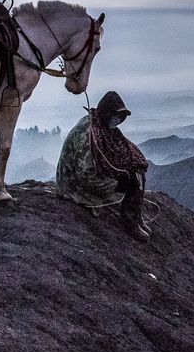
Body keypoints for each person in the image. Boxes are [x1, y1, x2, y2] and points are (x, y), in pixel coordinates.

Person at [55, 91, 151, 241]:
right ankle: (129, 222)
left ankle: (136, 216)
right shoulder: (89, 133)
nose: (117, 119)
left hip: (83, 176)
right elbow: (85, 173)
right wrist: (115, 178)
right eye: (115, 115)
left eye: (120, 116)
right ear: (106, 113)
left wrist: (128, 167)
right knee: (132, 182)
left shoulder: (100, 124)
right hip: (74, 185)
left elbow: (121, 150)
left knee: (137, 170)